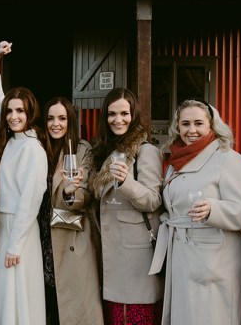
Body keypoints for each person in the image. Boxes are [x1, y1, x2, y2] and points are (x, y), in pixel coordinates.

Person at [148, 98, 241, 325]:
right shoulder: (176, 161)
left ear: (212, 125)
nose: (192, 130)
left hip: (214, 261)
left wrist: (213, 209)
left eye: (198, 123)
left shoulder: (229, 159)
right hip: (180, 255)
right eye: (185, 124)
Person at [89, 87, 164, 325]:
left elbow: (153, 200)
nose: (118, 119)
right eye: (112, 114)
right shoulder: (101, 152)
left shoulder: (146, 151)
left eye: (124, 113)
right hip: (107, 252)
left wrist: (126, 182)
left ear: (134, 115)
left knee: (134, 317)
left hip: (135, 257)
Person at [0, 41, 48, 325]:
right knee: (5, 294)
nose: (13, 116)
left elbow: (31, 199)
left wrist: (15, 244)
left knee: (18, 293)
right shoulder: (12, 140)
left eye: (20, 111)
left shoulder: (32, 147)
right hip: (5, 223)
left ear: (30, 113)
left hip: (19, 227)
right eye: (10, 111)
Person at [38, 96, 103, 324]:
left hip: (68, 235)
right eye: (51, 118)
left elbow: (86, 194)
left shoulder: (82, 149)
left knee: (67, 303)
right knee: (43, 301)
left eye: (62, 118)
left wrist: (69, 193)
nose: (56, 124)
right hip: (39, 235)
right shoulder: (38, 148)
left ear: (71, 121)